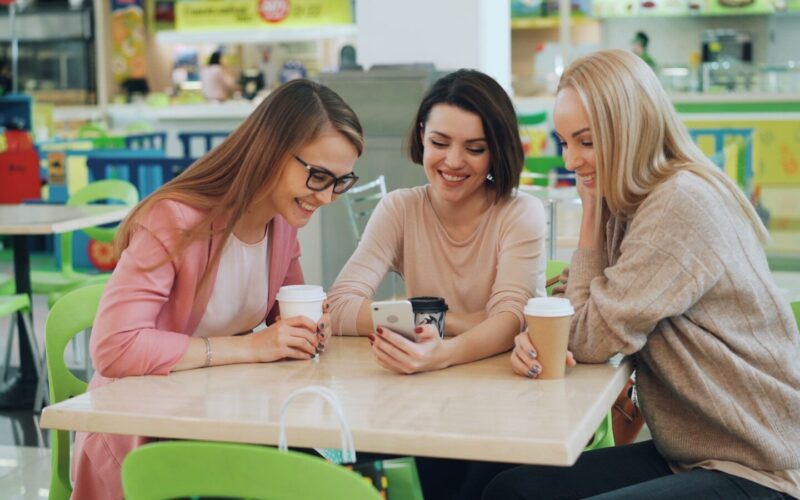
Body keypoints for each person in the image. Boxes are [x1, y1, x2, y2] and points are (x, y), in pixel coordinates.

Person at [485, 49, 800, 499]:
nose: (571, 160)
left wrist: (590, 213)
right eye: (564, 142)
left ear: (629, 131)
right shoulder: (632, 201)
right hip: (690, 452)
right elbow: (581, 319)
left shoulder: (679, 203)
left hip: (756, 467)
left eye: (587, 142)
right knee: (513, 490)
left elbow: (587, 338)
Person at [72, 79, 364, 499]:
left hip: (225, 418)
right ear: (271, 149)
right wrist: (252, 347)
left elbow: (282, 319)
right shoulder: (173, 220)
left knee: (337, 481)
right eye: (318, 176)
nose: (327, 197)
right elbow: (114, 347)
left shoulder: (281, 224)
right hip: (148, 435)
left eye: (341, 181)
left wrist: (308, 331)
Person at [328, 68, 546, 375]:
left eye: (475, 149)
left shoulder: (520, 213)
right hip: (424, 387)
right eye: (440, 143)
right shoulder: (399, 209)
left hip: (504, 386)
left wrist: (438, 346)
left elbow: (511, 319)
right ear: (422, 136)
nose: (454, 161)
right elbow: (336, 309)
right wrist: (452, 319)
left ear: (496, 151)